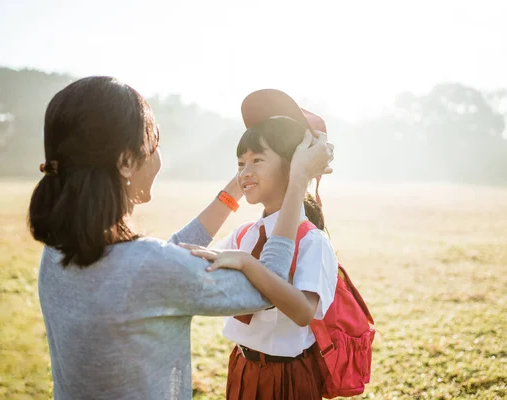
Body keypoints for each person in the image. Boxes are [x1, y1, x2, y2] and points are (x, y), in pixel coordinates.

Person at [28, 77, 333, 400]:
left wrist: (245, 179)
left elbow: (163, 258)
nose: (159, 156)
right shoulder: (146, 266)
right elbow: (265, 288)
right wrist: (296, 179)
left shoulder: (57, 252)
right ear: (126, 162)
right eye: (154, 145)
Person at [182, 90, 337, 400]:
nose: (245, 171)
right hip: (241, 367)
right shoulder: (243, 234)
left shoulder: (311, 240)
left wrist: (247, 264)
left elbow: (304, 312)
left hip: (288, 377)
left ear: (293, 166)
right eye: (240, 163)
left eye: (257, 160)